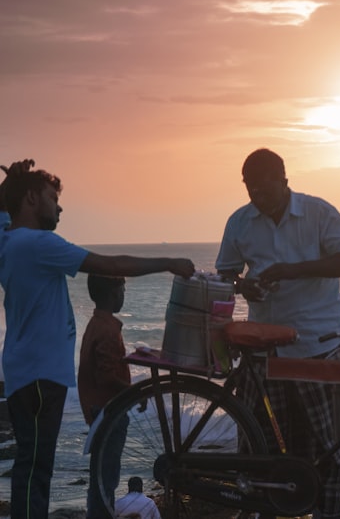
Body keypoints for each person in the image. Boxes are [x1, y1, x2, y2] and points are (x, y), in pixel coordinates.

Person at [0, 163, 195, 518]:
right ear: (31, 198)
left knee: (31, 462)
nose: (59, 208)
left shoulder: (8, 239)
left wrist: (9, 186)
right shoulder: (38, 243)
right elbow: (107, 262)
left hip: (22, 369)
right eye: (52, 198)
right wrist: (167, 262)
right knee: (35, 466)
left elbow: (3, 213)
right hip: (41, 373)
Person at [215, 147, 340, 519]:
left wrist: (291, 270)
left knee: (331, 449)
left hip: (318, 346)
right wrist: (243, 286)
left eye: (263, 190)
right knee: (262, 450)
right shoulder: (240, 222)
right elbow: (224, 275)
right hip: (266, 353)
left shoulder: (318, 213)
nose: (256, 198)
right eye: (250, 190)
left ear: (284, 180)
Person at [79, 275, 131, 519]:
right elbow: (106, 377)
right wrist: (134, 393)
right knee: (107, 476)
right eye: (122, 288)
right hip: (109, 411)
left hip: (96, 408)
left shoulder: (95, 323)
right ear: (113, 293)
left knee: (99, 476)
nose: (124, 293)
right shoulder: (108, 329)